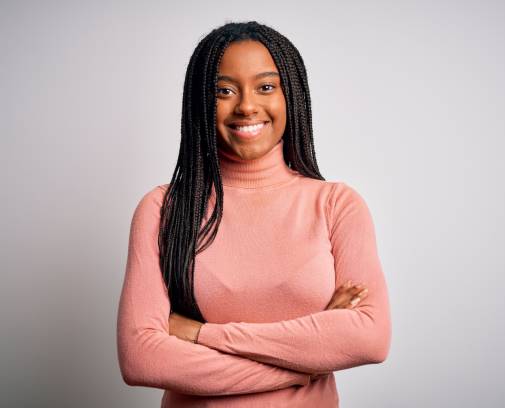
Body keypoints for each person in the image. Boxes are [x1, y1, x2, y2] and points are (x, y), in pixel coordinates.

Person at [116, 21, 391, 407]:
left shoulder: (336, 205)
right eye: (224, 91)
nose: (246, 105)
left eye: (265, 87)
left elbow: (369, 338)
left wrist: (199, 334)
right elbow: (141, 358)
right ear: (200, 102)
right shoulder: (164, 209)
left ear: (290, 96)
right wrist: (305, 363)